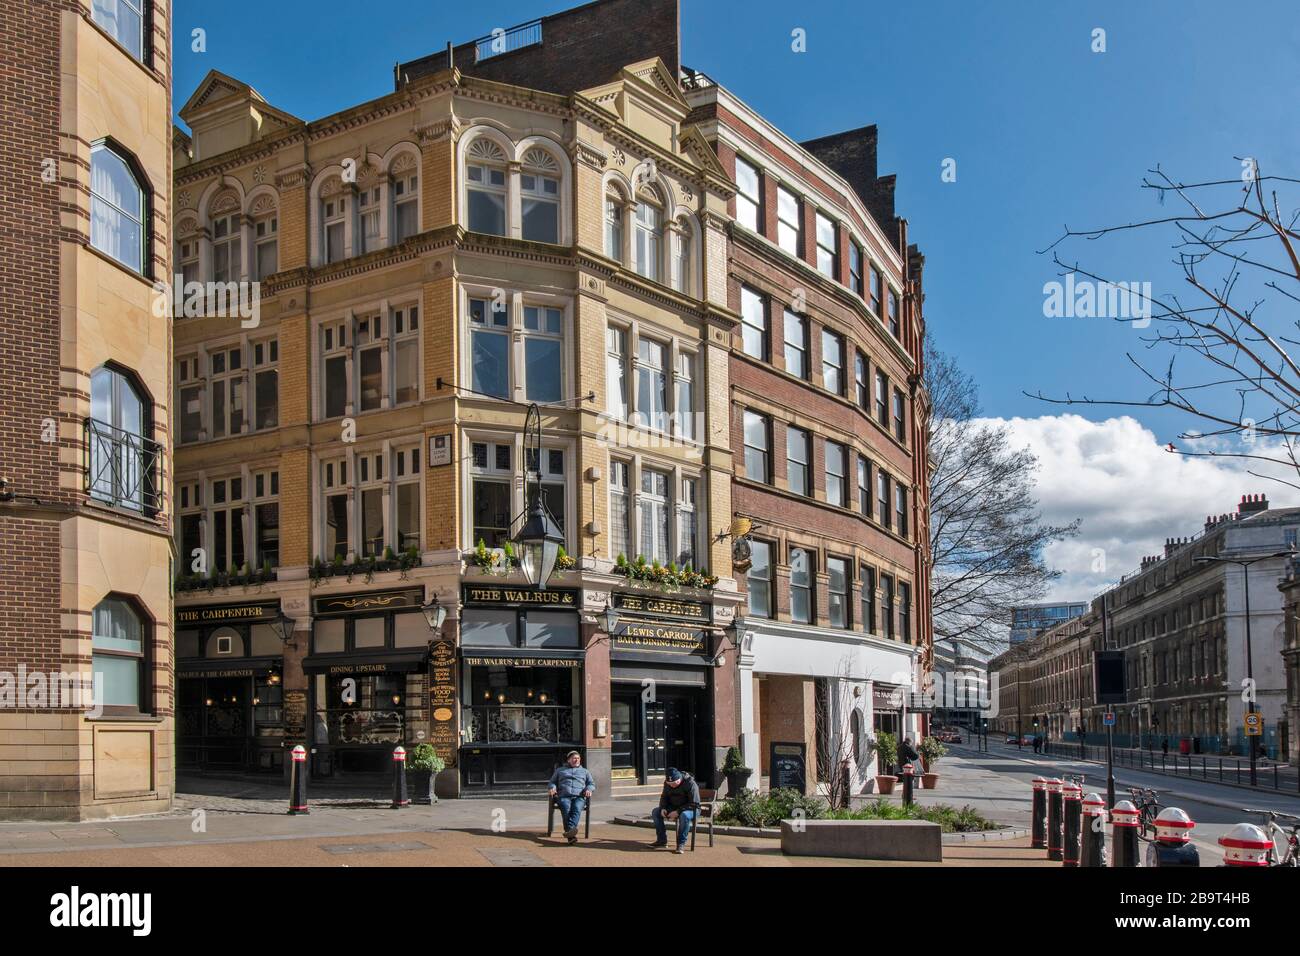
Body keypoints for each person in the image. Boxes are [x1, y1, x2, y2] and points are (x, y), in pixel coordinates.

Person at [547, 750, 594, 844]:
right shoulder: (560, 770)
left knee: (576, 808)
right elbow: (552, 782)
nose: (576, 760)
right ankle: (571, 833)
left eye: (578, 758)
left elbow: (591, 783)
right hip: (564, 796)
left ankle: (569, 833)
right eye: (574, 758)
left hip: (579, 796)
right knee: (566, 808)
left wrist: (589, 789)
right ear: (569, 760)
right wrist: (552, 788)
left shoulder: (585, 771)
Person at [650, 768, 700, 854]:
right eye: (670, 784)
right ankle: (662, 841)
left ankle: (681, 844)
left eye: (674, 783)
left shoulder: (690, 783)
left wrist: (678, 811)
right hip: (673, 808)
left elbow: (694, 803)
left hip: (691, 809)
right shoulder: (667, 784)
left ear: (679, 778)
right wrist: (663, 808)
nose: (672, 786)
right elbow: (664, 797)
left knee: (684, 815)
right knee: (655, 812)